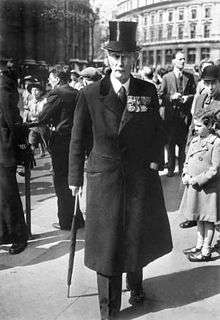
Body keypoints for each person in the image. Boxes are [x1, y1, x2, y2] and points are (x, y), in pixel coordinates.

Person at [68, 21, 172, 320]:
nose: (121, 62)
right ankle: (109, 309)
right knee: (108, 245)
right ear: (107, 58)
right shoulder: (89, 94)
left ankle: (136, 286)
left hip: (139, 178)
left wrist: (155, 160)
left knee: (136, 236)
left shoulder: (147, 90)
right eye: (115, 56)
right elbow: (78, 138)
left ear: (135, 59)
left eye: (127, 56)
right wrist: (74, 178)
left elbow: (158, 131)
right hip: (105, 180)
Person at [38, 69, 84, 231]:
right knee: (73, 180)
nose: (50, 82)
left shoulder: (56, 93)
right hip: (76, 141)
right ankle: (77, 218)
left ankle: (66, 221)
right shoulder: (77, 92)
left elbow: (42, 117)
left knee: (60, 181)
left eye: (51, 79)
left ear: (57, 79)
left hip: (61, 141)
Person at [179, 65, 220, 229]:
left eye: (214, 83)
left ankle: (212, 220)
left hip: (214, 150)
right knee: (194, 185)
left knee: (212, 189)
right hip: (197, 149)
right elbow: (192, 125)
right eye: (206, 82)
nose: (210, 87)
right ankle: (194, 215)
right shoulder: (201, 97)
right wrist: (188, 147)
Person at [179, 109, 220, 261]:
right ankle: (199, 245)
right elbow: (187, 160)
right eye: (194, 125)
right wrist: (185, 174)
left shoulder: (216, 143)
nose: (195, 129)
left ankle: (206, 250)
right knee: (199, 218)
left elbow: (214, 169)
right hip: (195, 188)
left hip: (208, 189)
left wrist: (196, 179)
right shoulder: (195, 140)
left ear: (210, 126)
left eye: (199, 126)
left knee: (208, 220)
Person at [0, 66, 28, 254]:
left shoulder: (4, 90)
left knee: (8, 195)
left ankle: (19, 236)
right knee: (3, 195)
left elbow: (12, 120)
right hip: (3, 149)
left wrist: (21, 143)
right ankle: (5, 233)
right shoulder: (5, 88)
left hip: (4, 149)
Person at [160, 51, 196, 177]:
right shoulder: (166, 77)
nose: (183, 61)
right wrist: (171, 97)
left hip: (184, 117)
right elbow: (160, 96)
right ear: (174, 61)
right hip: (171, 117)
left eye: (184, 59)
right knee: (170, 143)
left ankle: (182, 169)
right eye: (180, 59)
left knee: (183, 144)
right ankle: (170, 168)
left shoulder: (189, 77)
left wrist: (188, 98)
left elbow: (195, 94)